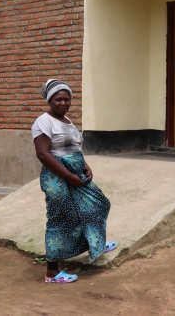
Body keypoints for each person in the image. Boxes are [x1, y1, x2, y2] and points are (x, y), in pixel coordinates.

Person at [32, 79, 116, 284]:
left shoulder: (67, 121)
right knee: (60, 218)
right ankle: (52, 272)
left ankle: (95, 243)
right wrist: (69, 177)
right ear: (50, 101)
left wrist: (85, 166)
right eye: (58, 99)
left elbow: (74, 149)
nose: (63, 103)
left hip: (76, 173)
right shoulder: (43, 121)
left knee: (98, 204)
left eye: (66, 99)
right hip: (56, 178)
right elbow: (43, 154)